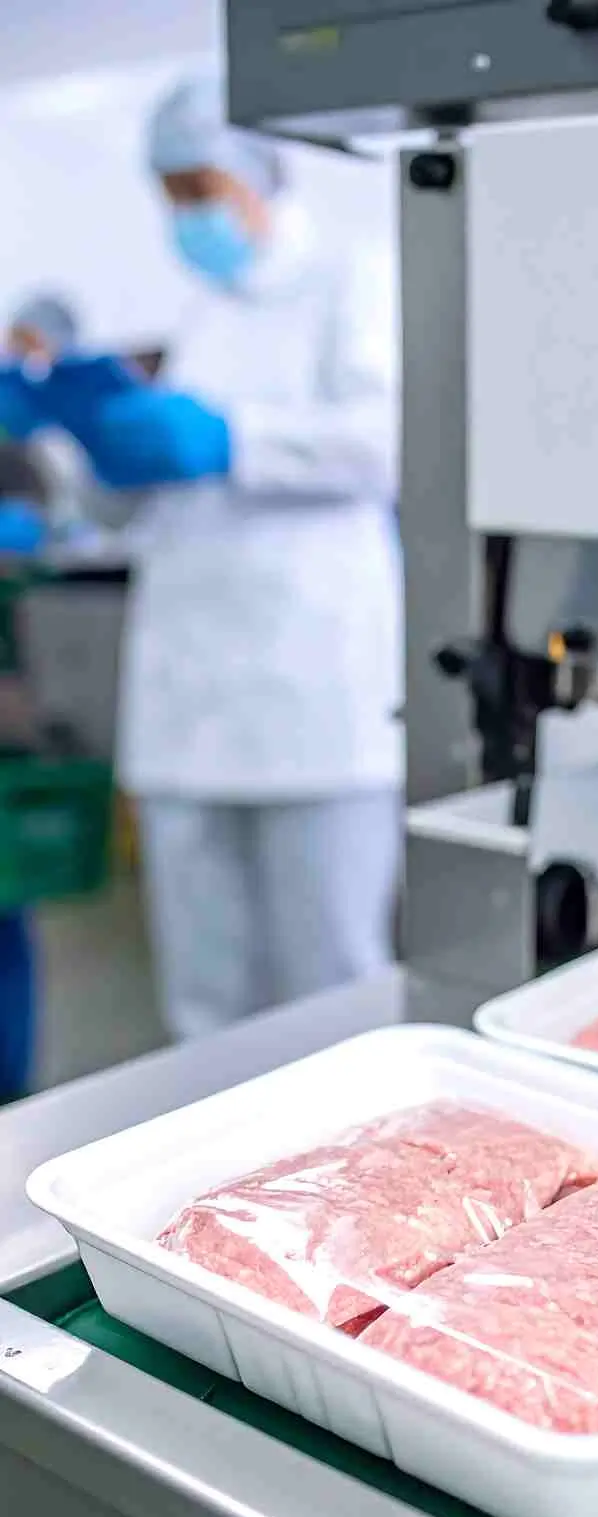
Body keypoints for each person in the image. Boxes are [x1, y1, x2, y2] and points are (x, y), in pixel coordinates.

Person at [60, 74, 403, 1041]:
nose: (188, 214)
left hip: (313, 703)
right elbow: (155, 498)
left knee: (331, 983)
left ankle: (355, 1190)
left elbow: (394, 442)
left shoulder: (353, 277)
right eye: (170, 195)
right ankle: (219, 1188)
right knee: (206, 998)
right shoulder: (203, 313)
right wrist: (105, 460)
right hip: (187, 704)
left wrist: (234, 439)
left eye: (200, 186)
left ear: (261, 171)